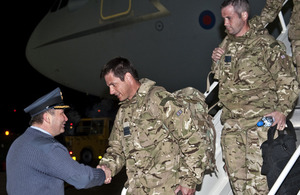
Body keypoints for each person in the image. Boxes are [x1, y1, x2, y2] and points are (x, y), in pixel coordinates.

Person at [210, 0, 299, 194]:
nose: (225, 23)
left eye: (229, 18)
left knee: (261, 185)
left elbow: (288, 80)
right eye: (223, 18)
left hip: (258, 124)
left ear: (243, 16)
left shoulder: (265, 45)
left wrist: (283, 110)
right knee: (238, 186)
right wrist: (216, 60)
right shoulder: (227, 47)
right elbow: (222, 80)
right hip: (233, 128)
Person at [98, 57, 214, 195]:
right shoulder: (123, 112)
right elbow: (117, 149)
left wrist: (189, 181)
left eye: (113, 85)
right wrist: (106, 167)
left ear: (128, 77)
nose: (111, 91)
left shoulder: (158, 99)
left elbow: (192, 138)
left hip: (167, 189)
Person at [6, 87, 110, 195]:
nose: (66, 118)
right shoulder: (48, 147)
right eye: (61, 113)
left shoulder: (18, 142)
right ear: (47, 118)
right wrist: (102, 174)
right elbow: (81, 178)